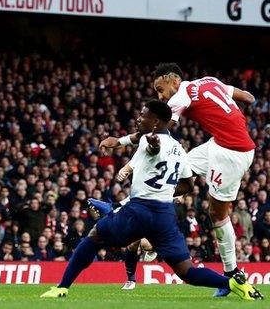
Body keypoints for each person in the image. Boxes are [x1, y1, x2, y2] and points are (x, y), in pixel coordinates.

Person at [41, 101, 262, 300]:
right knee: (186, 271)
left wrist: (151, 147)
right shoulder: (179, 149)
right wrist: (165, 190)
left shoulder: (149, 140)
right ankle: (232, 282)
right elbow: (188, 185)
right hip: (164, 215)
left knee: (94, 237)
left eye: (143, 115)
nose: (139, 118)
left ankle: (62, 287)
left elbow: (152, 146)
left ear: (155, 122)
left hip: (139, 211)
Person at [100, 63, 256, 297]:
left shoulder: (179, 97)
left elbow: (159, 131)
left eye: (160, 89)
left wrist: (119, 141)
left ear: (172, 79)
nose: (159, 96)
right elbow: (249, 97)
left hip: (232, 153)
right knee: (173, 172)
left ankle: (232, 274)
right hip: (217, 144)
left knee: (217, 214)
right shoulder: (209, 80)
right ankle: (126, 208)